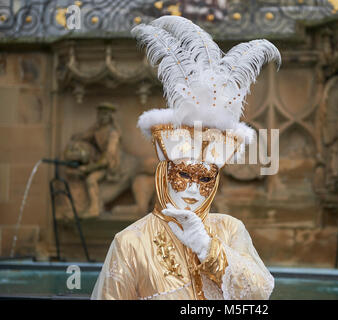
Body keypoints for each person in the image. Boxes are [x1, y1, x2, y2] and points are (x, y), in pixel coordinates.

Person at [91, 15, 281, 300]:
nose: (193, 187)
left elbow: (259, 294)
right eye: (184, 174)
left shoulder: (229, 229)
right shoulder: (130, 242)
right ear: (165, 173)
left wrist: (208, 248)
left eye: (205, 178)